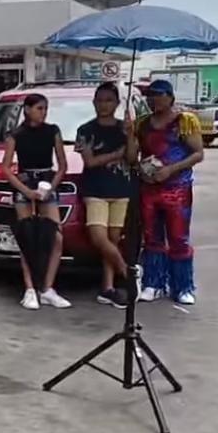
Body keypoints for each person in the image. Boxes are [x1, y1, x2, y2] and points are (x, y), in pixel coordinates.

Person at [131, 79, 204, 305]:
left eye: (159, 94)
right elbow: (133, 157)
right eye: (150, 95)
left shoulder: (185, 121)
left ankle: (182, 286)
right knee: (152, 238)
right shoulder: (142, 124)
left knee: (178, 238)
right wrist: (129, 134)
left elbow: (198, 153)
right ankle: (153, 283)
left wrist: (172, 169)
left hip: (177, 188)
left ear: (170, 97)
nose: (154, 99)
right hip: (149, 189)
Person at [1, 93, 73, 310]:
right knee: (27, 238)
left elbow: (62, 165)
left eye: (45, 108)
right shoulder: (16, 134)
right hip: (25, 183)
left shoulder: (52, 131)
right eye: (39, 108)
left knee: (56, 237)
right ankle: (30, 288)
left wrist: (51, 186)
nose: (43, 113)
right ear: (28, 109)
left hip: (46, 182)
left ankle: (47, 288)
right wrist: (25, 190)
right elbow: (6, 167)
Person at [74, 82, 136, 308]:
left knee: (113, 239)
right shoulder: (86, 130)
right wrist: (116, 153)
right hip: (95, 189)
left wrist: (130, 136)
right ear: (93, 102)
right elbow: (90, 162)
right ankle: (127, 273)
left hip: (121, 189)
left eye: (109, 100)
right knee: (98, 237)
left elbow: (131, 158)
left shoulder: (124, 128)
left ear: (117, 103)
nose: (103, 105)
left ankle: (108, 287)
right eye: (100, 100)